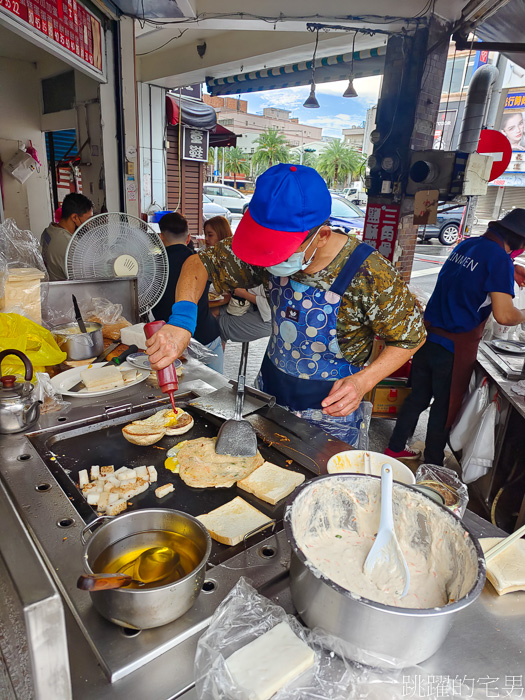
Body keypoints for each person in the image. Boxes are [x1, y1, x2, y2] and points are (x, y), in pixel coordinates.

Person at [146, 164, 426, 444]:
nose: (269, 259)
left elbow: (410, 337)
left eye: (279, 251)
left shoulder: (371, 274)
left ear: (322, 236)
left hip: (331, 412)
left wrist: (365, 380)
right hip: (269, 395)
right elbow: (197, 264)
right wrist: (181, 321)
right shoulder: (263, 249)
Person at [386, 209, 525, 466]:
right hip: (454, 346)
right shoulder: (499, 260)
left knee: (418, 396)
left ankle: (395, 447)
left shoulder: (468, 245)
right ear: (519, 241)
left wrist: (511, 268)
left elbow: (472, 275)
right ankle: (434, 464)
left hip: (428, 338)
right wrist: (523, 314)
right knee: (444, 406)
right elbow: (504, 315)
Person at [152, 212, 223, 374]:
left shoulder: (152, 266)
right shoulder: (198, 259)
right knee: (218, 389)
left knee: (182, 393)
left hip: (170, 342)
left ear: (161, 237)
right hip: (207, 337)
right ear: (188, 237)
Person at [204, 216, 272, 345]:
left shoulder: (260, 265)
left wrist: (243, 294)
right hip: (245, 305)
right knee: (210, 314)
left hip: (265, 318)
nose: (206, 239)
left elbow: (268, 306)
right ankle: (215, 360)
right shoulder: (222, 257)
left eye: (210, 235)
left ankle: (214, 360)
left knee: (213, 325)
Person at [41, 193, 93, 281]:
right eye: (88, 219)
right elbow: (84, 281)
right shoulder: (71, 246)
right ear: (74, 217)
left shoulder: (48, 231)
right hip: (66, 291)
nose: (90, 224)